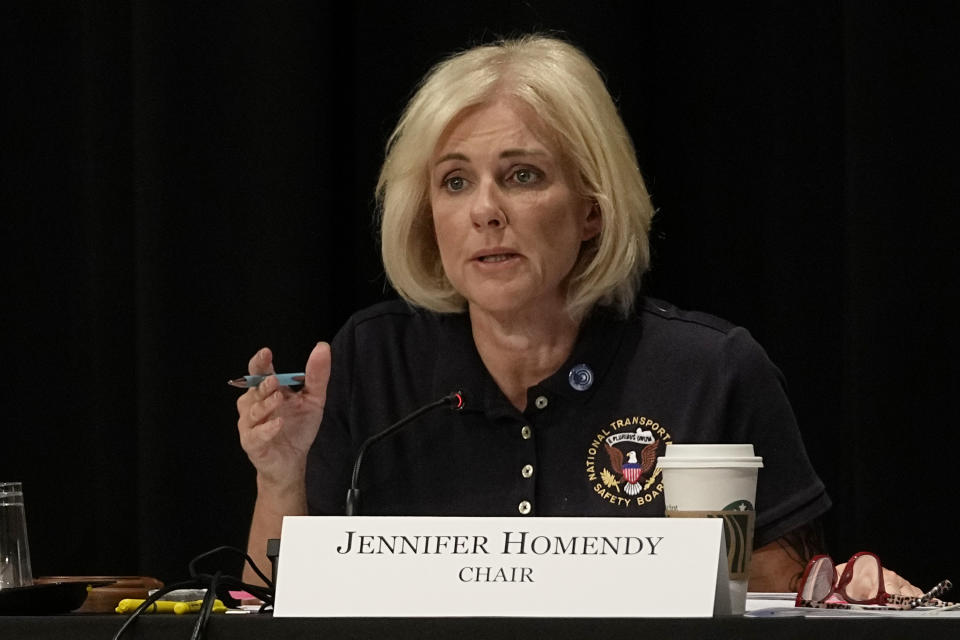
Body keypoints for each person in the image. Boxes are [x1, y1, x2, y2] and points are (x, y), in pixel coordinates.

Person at [236, 34, 920, 595]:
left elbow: (784, 602)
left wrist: (859, 596)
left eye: (522, 174)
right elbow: (274, 609)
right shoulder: (372, 360)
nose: (484, 210)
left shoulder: (708, 372)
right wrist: (281, 474)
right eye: (454, 181)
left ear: (592, 207)